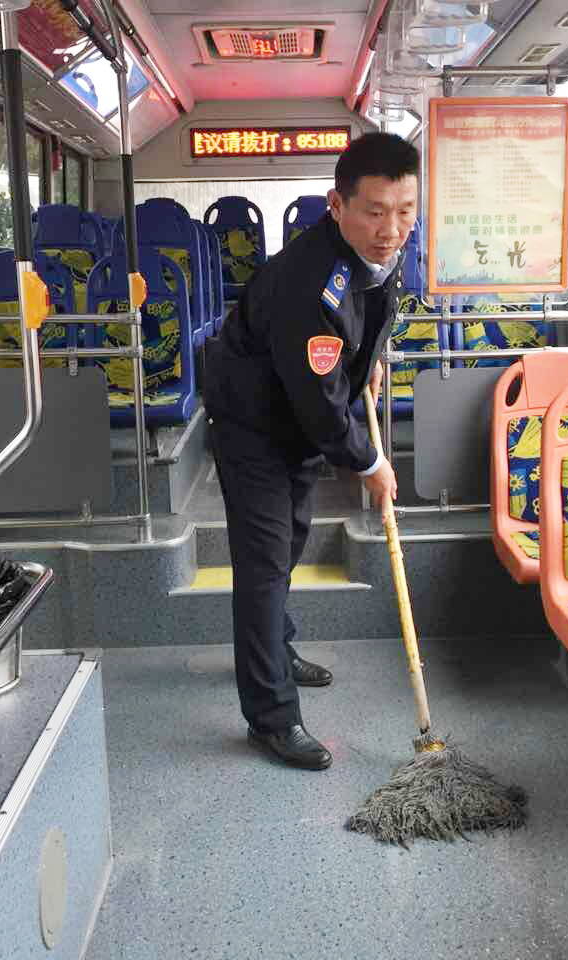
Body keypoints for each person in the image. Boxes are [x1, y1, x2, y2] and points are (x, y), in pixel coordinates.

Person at [202, 132, 418, 771]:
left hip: (295, 413)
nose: (391, 229)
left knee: (292, 538)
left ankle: (276, 646)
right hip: (254, 424)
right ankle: (271, 716)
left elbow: (366, 317)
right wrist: (370, 463)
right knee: (265, 561)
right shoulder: (309, 280)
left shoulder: (376, 254)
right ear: (337, 205)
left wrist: (367, 363)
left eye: (405, 211)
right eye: (374, 211)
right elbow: (320, 404)